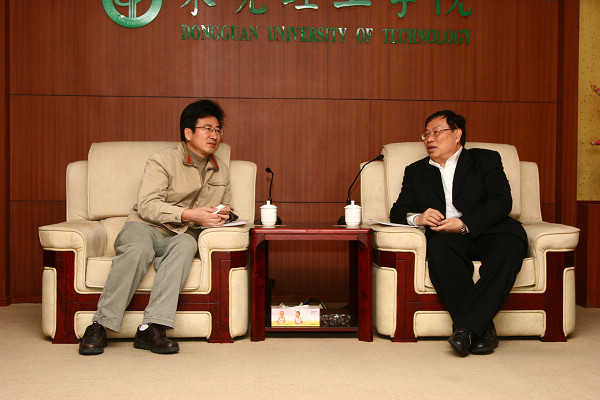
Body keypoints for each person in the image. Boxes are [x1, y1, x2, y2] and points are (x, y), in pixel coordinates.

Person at [79, 99, 237, 355]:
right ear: (188, 133)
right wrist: (189, 214)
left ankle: (152, 327)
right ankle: (100, 324)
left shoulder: (221, 169)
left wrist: (223, 214)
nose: (214, 136)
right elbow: (147, 205)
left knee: (186, 245)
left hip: (183, 234)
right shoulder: (162, 160)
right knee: (138, 249)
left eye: (218, 130)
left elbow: (226, 205)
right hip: (146, 226)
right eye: (207, 129)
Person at [389, 110, 527, 357]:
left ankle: (466, 330)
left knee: (510, 248)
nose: (429, 139)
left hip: (492, 229)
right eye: (426, 134)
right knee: (440, 249)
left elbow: (501, 202)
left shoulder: (485, 159)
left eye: (436, 132)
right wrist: (418, 218)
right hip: (447, 236)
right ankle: (480, 330)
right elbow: (397, 212)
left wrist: (464, 224)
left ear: (457, 134)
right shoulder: (416, 171)